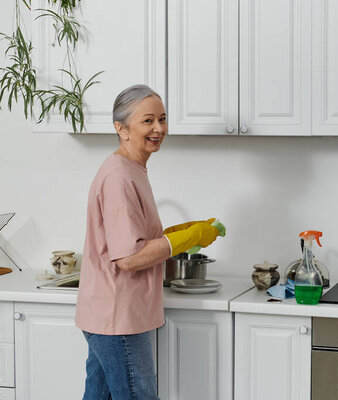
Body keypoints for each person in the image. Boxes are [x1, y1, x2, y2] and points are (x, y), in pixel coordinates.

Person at [75, 84, 221, 399]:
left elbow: (132, 237)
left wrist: (181, 231)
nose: (158, 128)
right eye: (148, 121)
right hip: (118, 316)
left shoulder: (132, 168)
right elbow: (128, 257)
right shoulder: (120, 176)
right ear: (121, 128)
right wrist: (189, 238)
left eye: (163, 119)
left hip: (110, 315)